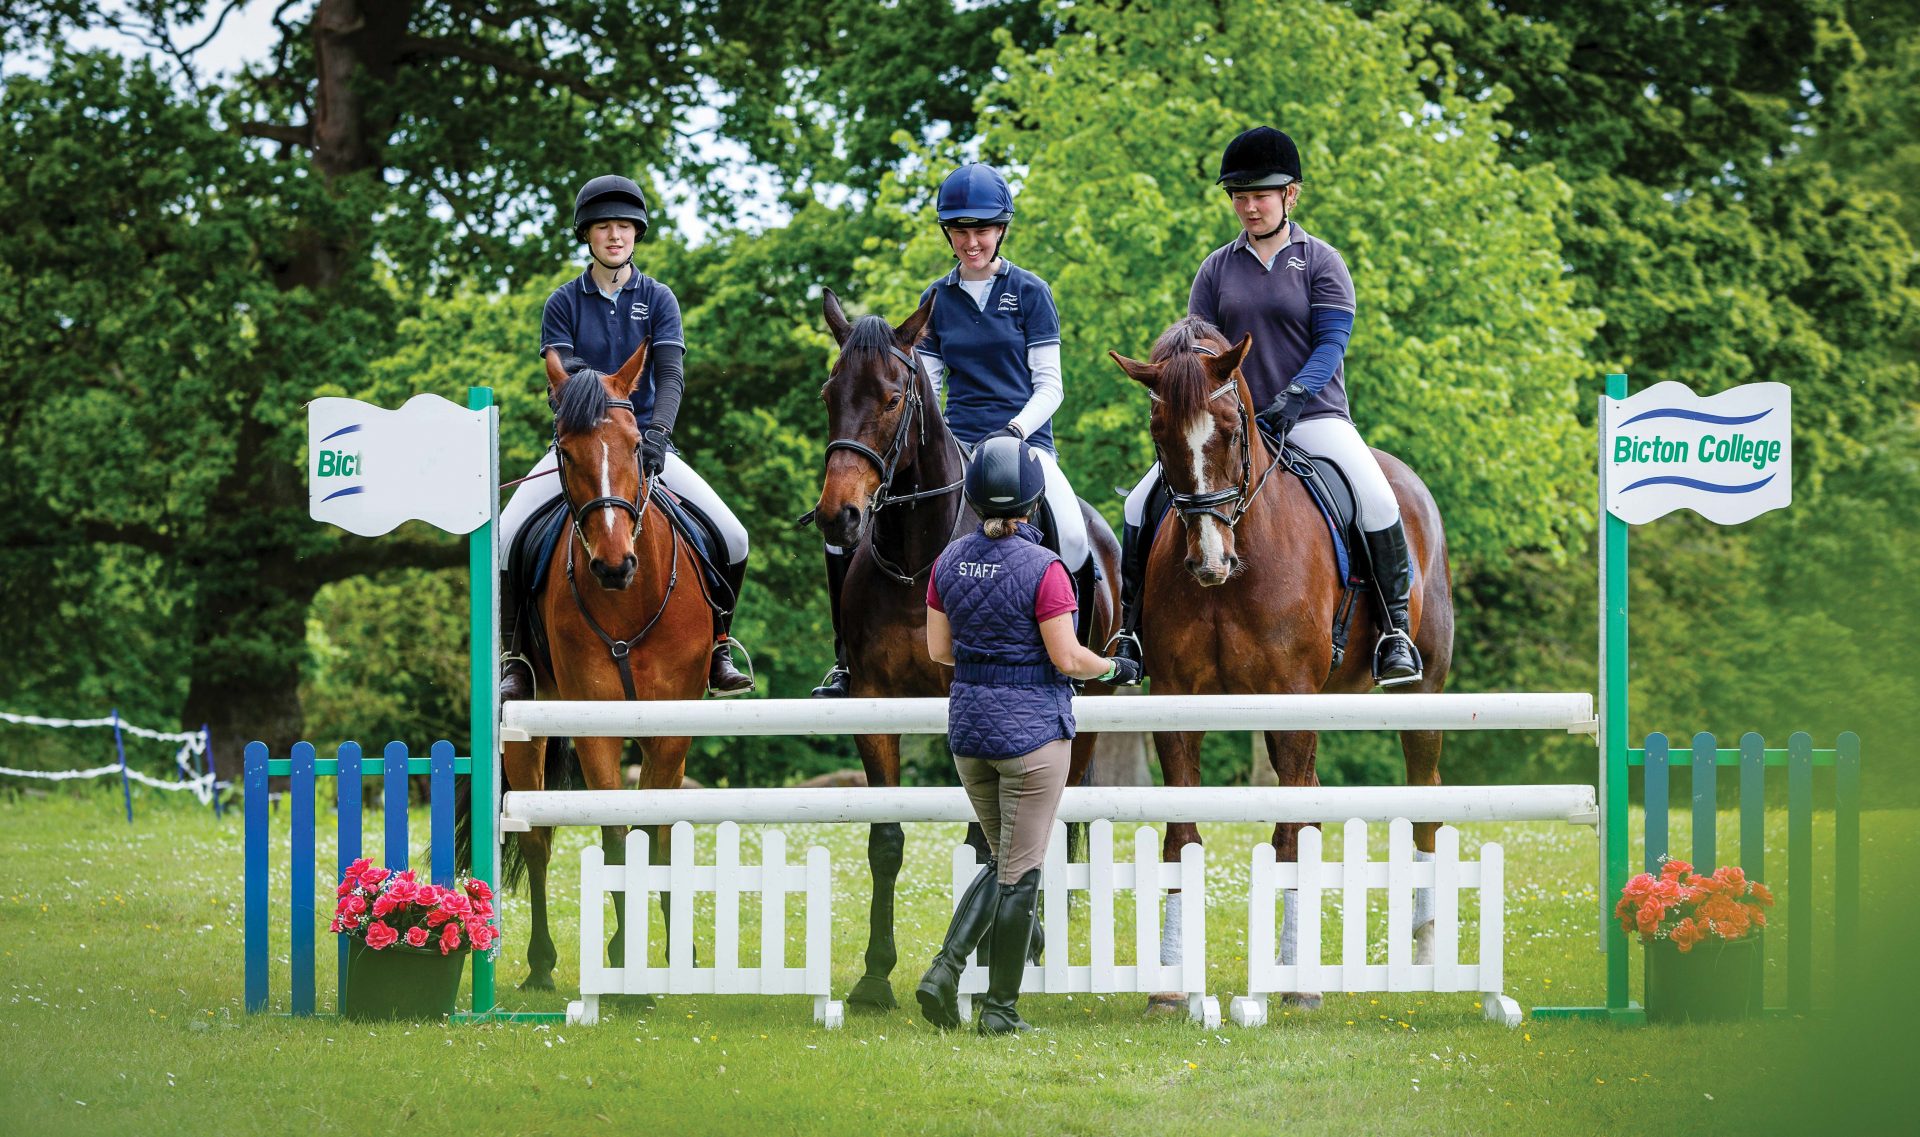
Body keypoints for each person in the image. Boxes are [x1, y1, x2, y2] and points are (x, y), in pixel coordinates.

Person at [1109, 127, 1423, 686]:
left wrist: (1294, 398)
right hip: (1228, 428)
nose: (1250, 206)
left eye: (1262, 194)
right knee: (1139, 503)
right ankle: (1130, 632)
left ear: (1291, 195)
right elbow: (1195, 349)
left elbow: (1331, 344)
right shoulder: (1215, 268)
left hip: (1315, 415)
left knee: (1376, 497)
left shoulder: (1322, 262)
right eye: (1239, 195)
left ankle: (1394, 631)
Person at [812, 163, 1090, 698]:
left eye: (981, 229)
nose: (971, 241)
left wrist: (1011, 432)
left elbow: (1050, 387)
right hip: (955, 442)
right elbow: (927, 382)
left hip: (1025, 446)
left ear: (1000, 230)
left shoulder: (1031, 293)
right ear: (948, 233)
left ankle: (1065, 657)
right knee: (845, 530)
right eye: (960, 230)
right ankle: (848, 659)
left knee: (1073, 532)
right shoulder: (936, 296)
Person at [913, 436, 1143, 1034]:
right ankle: (996, 1008)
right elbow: (1069, 658)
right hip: (1034, 740)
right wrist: (1116, 667)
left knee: (999, 857)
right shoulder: (1047, 570)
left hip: (969, 735)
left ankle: (947, 972)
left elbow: (940, 651)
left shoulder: (946, 564)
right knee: (1019, 871)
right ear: (1033, 501)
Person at [498, 174, 754, 699]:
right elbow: (565, 383)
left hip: (646, 447)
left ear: (636, 234)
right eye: (603, 228)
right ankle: (517, 656)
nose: (614, 236)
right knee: (505, 537)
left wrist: (657, 432)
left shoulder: (659, 299)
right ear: (586, 235)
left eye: (624, 227)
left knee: (733, 535)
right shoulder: (562, 303)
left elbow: (672, 374)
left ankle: (719, 646)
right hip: (580, 448)